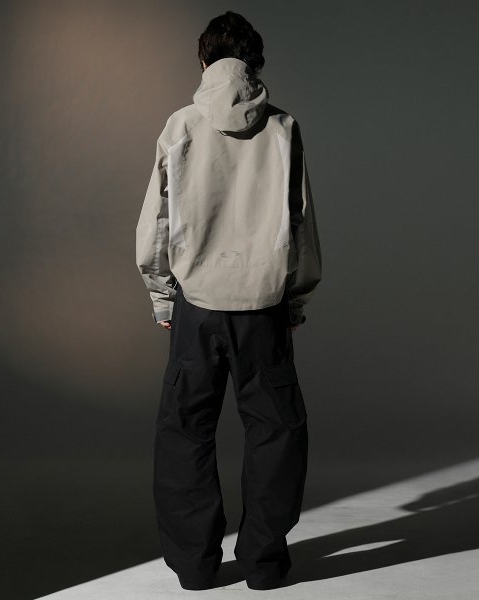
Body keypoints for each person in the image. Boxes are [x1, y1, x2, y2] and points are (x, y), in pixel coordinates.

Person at [135, 10, 322, 591]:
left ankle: (195, 568)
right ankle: (263, 565)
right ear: (255, 62)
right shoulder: (284, 127)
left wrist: (163, 296)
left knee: (185, 432)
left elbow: (156, 223)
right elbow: (300, 222)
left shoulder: (181, 125)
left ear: (204, 60)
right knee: (275, 431)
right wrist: (294, 299)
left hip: (197, 307)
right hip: (263, 307)